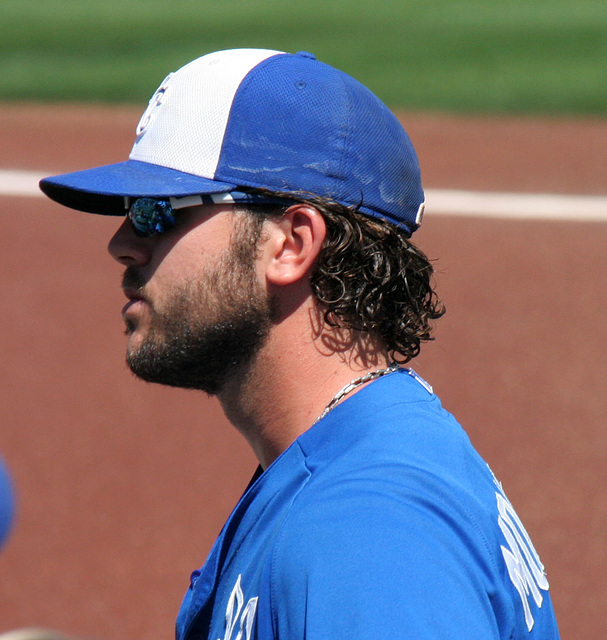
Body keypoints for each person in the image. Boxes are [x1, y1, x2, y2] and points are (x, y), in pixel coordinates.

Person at [40, 49, 560, 639]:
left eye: (159, 211)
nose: (123, 243)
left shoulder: (368, 536)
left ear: (291, 243)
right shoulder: (350, 454)